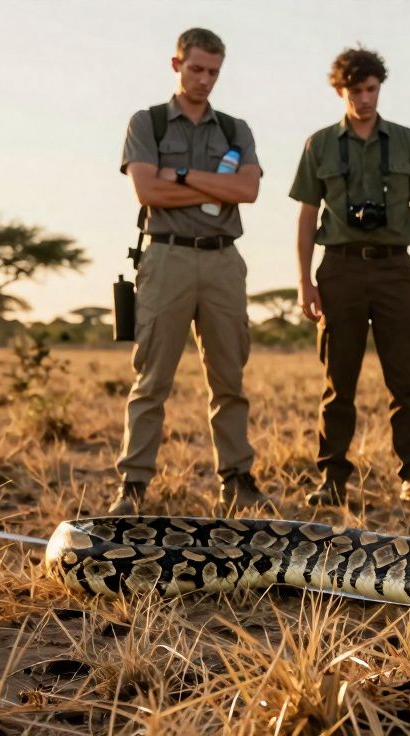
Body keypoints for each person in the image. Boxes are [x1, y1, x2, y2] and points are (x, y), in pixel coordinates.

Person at [110, 28, 272, 514]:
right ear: (176, 63)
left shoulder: (235, 129)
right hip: (167, 256)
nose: (205, 79)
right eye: (196, 69)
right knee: (152, 378)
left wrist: (176, 175)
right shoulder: (149, 123)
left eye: (214, 72)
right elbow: (147, 193)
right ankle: (133, 487)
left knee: (229, 377)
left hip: (224, 259)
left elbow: (247, 191)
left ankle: (239, 480)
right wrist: (210, 187)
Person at [290, 46, 410, 507]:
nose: (365, 99)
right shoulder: (319, 144)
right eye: (356, 91)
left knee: (405, 378)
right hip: (339, 267)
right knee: (339, 380)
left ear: (381, 87)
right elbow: (305, 216)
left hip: (395, 266)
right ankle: (333, 479)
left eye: (372, 89)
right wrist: (304, 280)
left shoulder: (407, 141)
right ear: (341, 91)